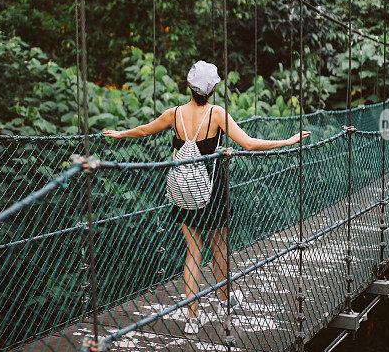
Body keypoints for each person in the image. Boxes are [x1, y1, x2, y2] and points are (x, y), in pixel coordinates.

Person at [103, 61, 310, 334]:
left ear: (189, 86)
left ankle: (192, 318)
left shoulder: (174, 114)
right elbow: (248, 144)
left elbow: (143, 130)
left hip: (184, 188)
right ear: (212, 90)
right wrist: (288, 141)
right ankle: (225, 299)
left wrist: (119, 134)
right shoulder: (216, 114)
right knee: (219, 249)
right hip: (211, 189)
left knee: (193, 252)